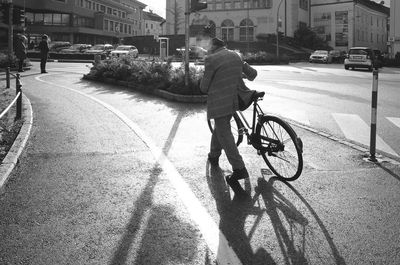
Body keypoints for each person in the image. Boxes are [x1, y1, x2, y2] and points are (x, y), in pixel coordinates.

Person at [200, 37, 256, 197]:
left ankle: (239, 169)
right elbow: (252, 74)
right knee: (220, 127)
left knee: (225, 134)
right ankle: (214, 155)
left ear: (212, 48)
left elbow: (204, 87)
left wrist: (201, 82)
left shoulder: (211, 59)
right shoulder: (236, 55)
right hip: (236, 99)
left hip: (220, 102)